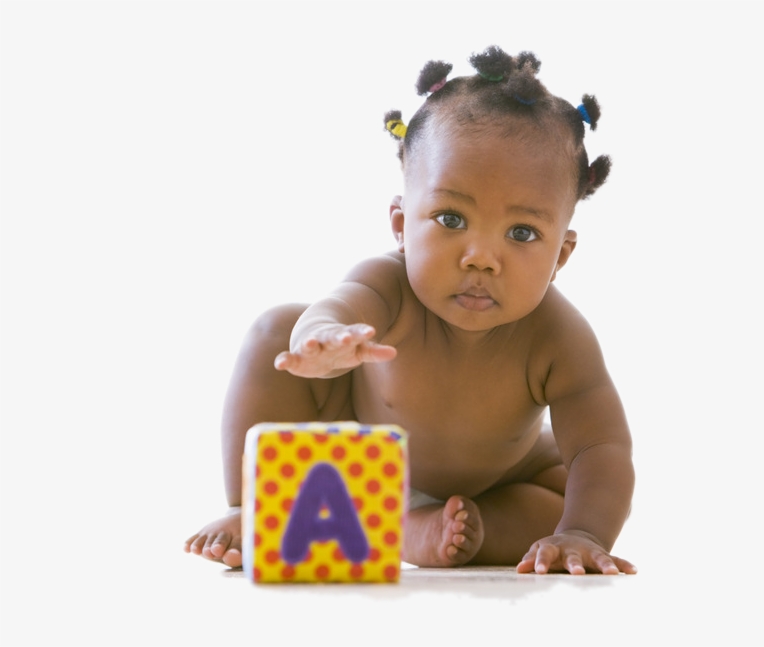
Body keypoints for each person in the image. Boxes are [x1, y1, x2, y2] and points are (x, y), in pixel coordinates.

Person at [184, 46, 636, 575]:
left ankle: (434, 529)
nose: (480, 258)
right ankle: (253, 505)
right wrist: (325, 340)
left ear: (560, 254)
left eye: (521, 233)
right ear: (401, 225)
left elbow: (601, 444)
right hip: (356, 454)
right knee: (275, 330)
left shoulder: (558, 337)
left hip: (500, 483)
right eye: (450, 218)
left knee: (560, 501)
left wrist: (583, 532)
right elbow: (334, 307)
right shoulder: (388, 285)